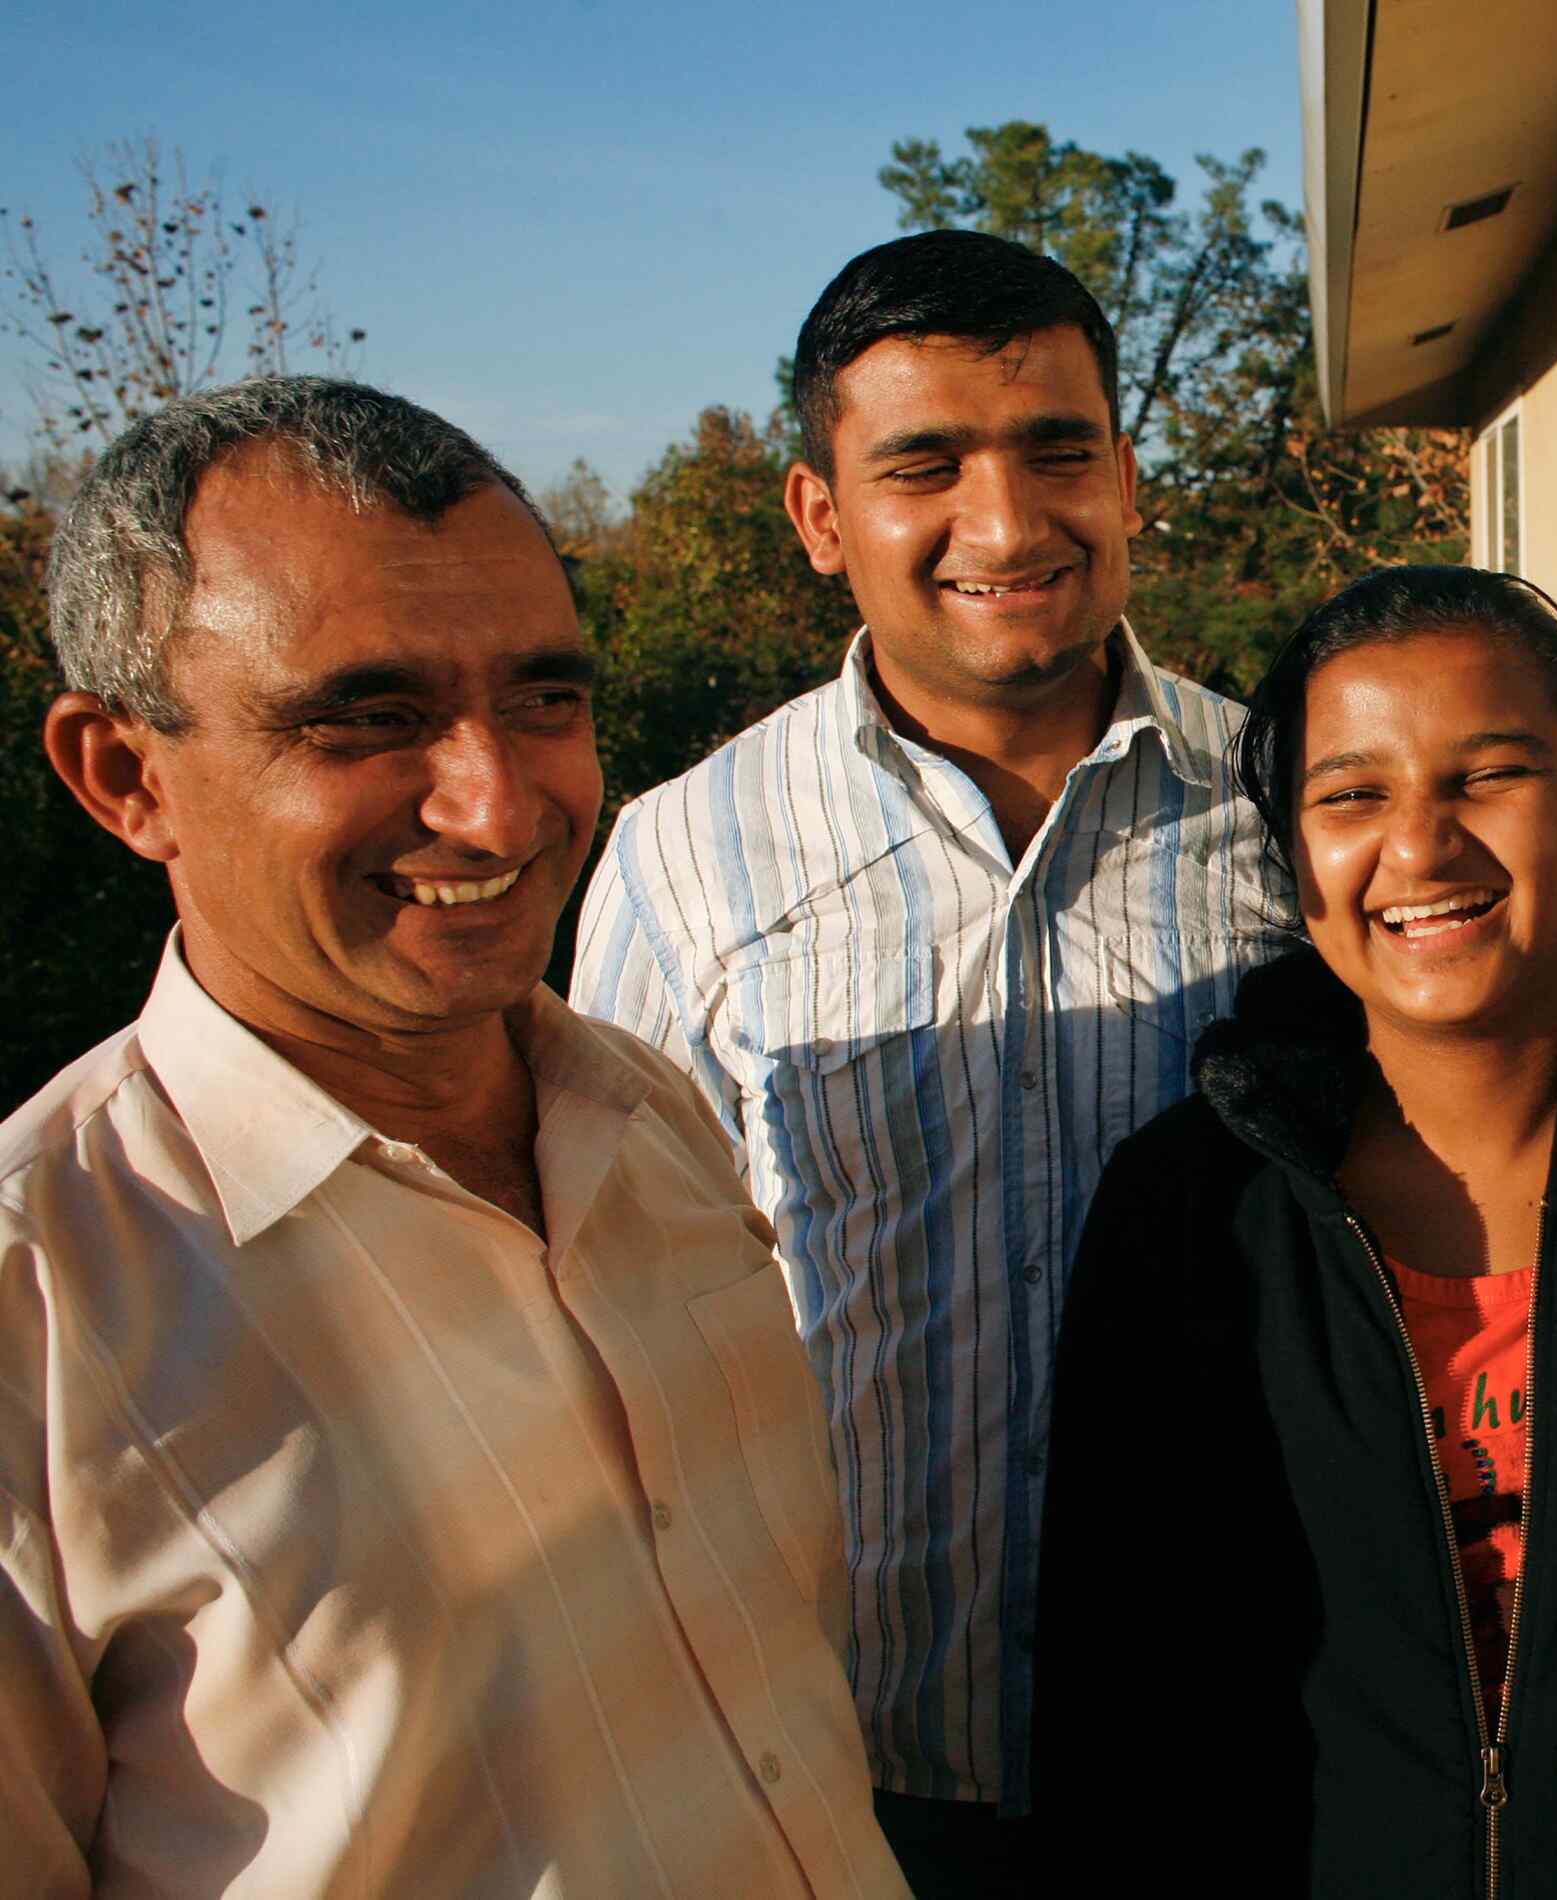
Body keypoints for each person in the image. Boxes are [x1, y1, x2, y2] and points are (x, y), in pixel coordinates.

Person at [0, 377, 904, 1897]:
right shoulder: (44, 1302)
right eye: (370, 718)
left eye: (546, 698)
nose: (498, 806)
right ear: (126, 776)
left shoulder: (646, 1114)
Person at [571, 230, 1287, 1893]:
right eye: (925, 467)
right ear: (824, 517)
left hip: (1233, 1730)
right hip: (839, 1762)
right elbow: (607, 1317)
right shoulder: (689, 861)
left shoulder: (1285, 814)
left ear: (1125, 471)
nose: (1009, 522)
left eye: (1056, 451)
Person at [1034, 566, 1557, 1897]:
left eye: (1488, 775)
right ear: (1296, 857)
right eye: (1352, 796)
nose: (1422, 847)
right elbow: (1116, 1702)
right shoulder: (1193, 1213)